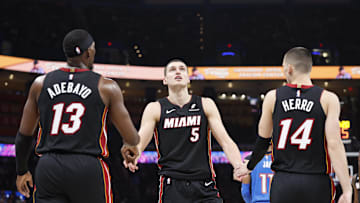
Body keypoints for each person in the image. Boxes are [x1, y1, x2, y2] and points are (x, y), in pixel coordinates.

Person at [15, 29, 140, 203]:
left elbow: (24, 136)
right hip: (88, 166)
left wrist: (22, 171)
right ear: (89, 53)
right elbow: (132, 137)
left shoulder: (40, 84)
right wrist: (129, 144)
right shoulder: (106, 86)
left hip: (49, 167)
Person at [235, 47, 352, 203]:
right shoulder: (328, 99)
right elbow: (334, 144)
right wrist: (346, 189)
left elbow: (263, 140)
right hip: (316, 181)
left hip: (284, 181)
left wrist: (249, 167)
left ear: (289, 68)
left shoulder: (273, 97)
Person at [123, 59, 244, 203]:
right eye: (172, 70)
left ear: (188, 78)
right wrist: (133, 154)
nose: (178, 71)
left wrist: (238, 165)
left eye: (182, 69)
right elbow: (141, 138)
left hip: (203, 184)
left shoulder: (205, 104)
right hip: (173, 185)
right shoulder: (155, 108)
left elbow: (226, 141)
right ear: (165, 80)